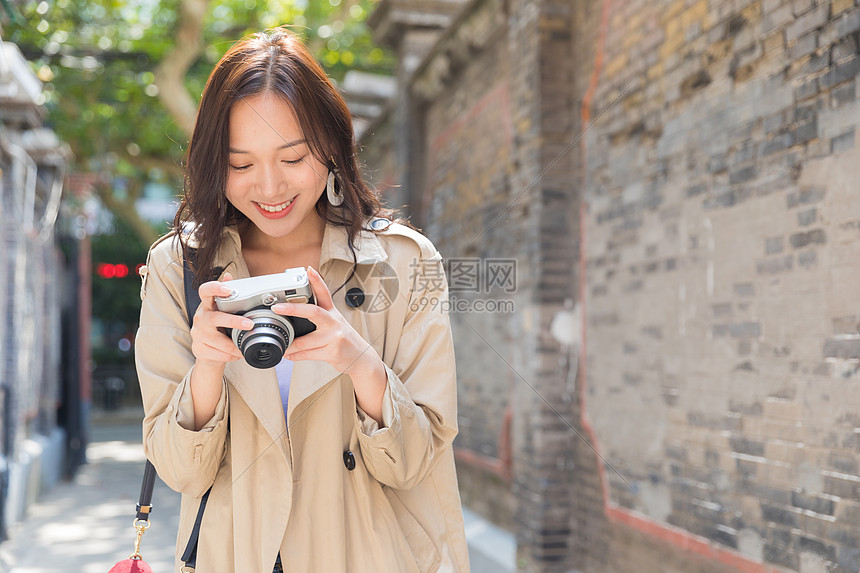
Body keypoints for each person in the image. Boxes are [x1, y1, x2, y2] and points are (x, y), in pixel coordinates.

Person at [135, 28, 469, 573]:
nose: (268, 187)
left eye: (292, 158)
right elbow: (180, 471)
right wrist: (207, 368)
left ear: (333, 147)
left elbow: (416, 463)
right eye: (240, 165)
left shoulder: (403, 262)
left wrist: (360, 364)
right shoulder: (181, 267)